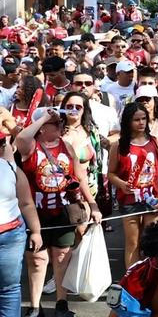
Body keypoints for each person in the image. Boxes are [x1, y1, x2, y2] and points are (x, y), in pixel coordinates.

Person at [17, 108, 102, 317]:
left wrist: (93, 205)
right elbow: (21, 136)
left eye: (60, 123)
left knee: (62, 255)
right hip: (35, 212)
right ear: (42, 127)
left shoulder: (67, 146)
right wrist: (45, 116)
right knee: (36, 259)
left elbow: (80, 176)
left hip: (64, 210)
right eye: (55, 124)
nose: (60, 125)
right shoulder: (31, 146)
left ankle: (61, 303)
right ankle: (35, 306)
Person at [108, 102, 158, 268]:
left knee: (151, 241)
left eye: (144, 118)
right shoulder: (118, 145)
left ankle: (151, 276)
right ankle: (132, 278)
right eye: (136, 119)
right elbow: (111, 174)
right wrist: (121, 184)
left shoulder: (155, 142)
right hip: (129, 199)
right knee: (133, 242)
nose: (141, 123)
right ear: (128, 122)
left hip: (152, 198)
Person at [0, 138, 43, 315]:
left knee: (9, 289)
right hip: (11, 236)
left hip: (11, 236)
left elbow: (26, 203)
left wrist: (36, 231)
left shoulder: (11, 168)